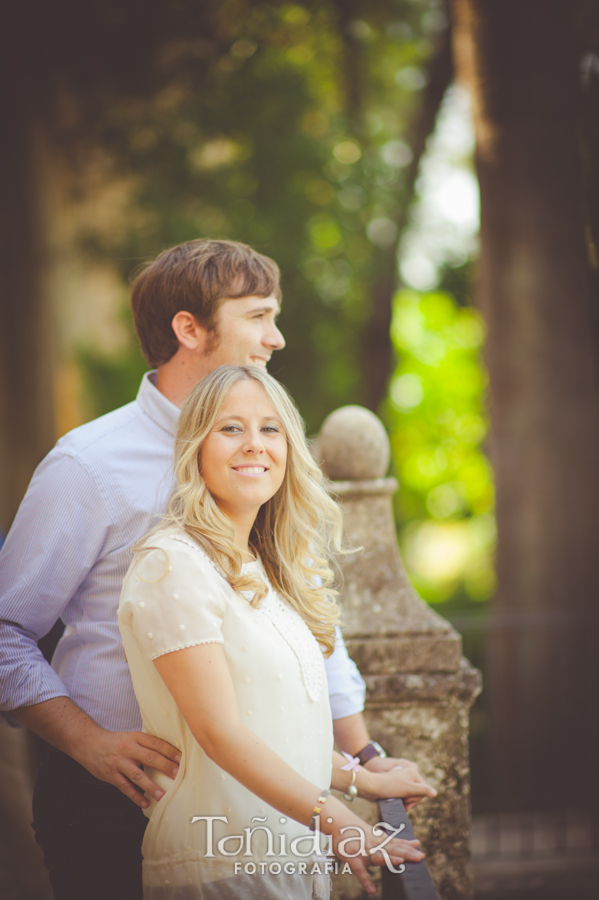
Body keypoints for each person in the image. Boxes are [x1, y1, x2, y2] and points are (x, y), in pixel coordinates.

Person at [0, 239, 427, 900]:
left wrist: (362, 760)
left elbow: (310, 620)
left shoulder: (266, 457)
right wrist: (88, 743)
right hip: (113, 797)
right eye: (257, 316)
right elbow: (4, 628)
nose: (275, 337)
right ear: (188, 328)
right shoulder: (87, 465)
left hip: (255, 799)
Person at [119, 363, 435, 898]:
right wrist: (344, 823)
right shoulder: (171, 564)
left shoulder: (267, 569)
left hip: (294, 856)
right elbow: (222, 735)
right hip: (219, 866)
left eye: (270, 429)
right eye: (230, 428)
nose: (254, 445)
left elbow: (277, 729)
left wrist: (365, 781)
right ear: (196, 446)